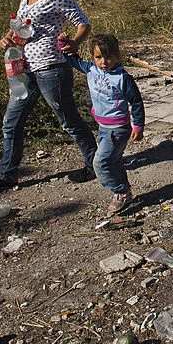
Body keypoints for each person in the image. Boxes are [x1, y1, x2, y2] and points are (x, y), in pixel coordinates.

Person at [0, 0, 98, 191]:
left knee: (69, 121)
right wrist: (10, 37)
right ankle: (7, 174)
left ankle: (95, 164)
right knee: (12, 121)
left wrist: (74, 43)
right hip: (25, 67)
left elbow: (83, 22)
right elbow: (23, 25)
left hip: (51, 68)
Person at [66, 33, 145, 215]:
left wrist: (138, 126)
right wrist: (63, 42)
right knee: (114, 161)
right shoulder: (92, 70)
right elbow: (71, 59)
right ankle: (124, 189)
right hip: (102, 128)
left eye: (108, 57)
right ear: (93, 57)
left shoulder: (123, 78)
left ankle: (121, 191)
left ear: (117, 55)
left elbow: (137, 101)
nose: (104, 62)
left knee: (100, 163)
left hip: (118, 129)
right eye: (98, 57)